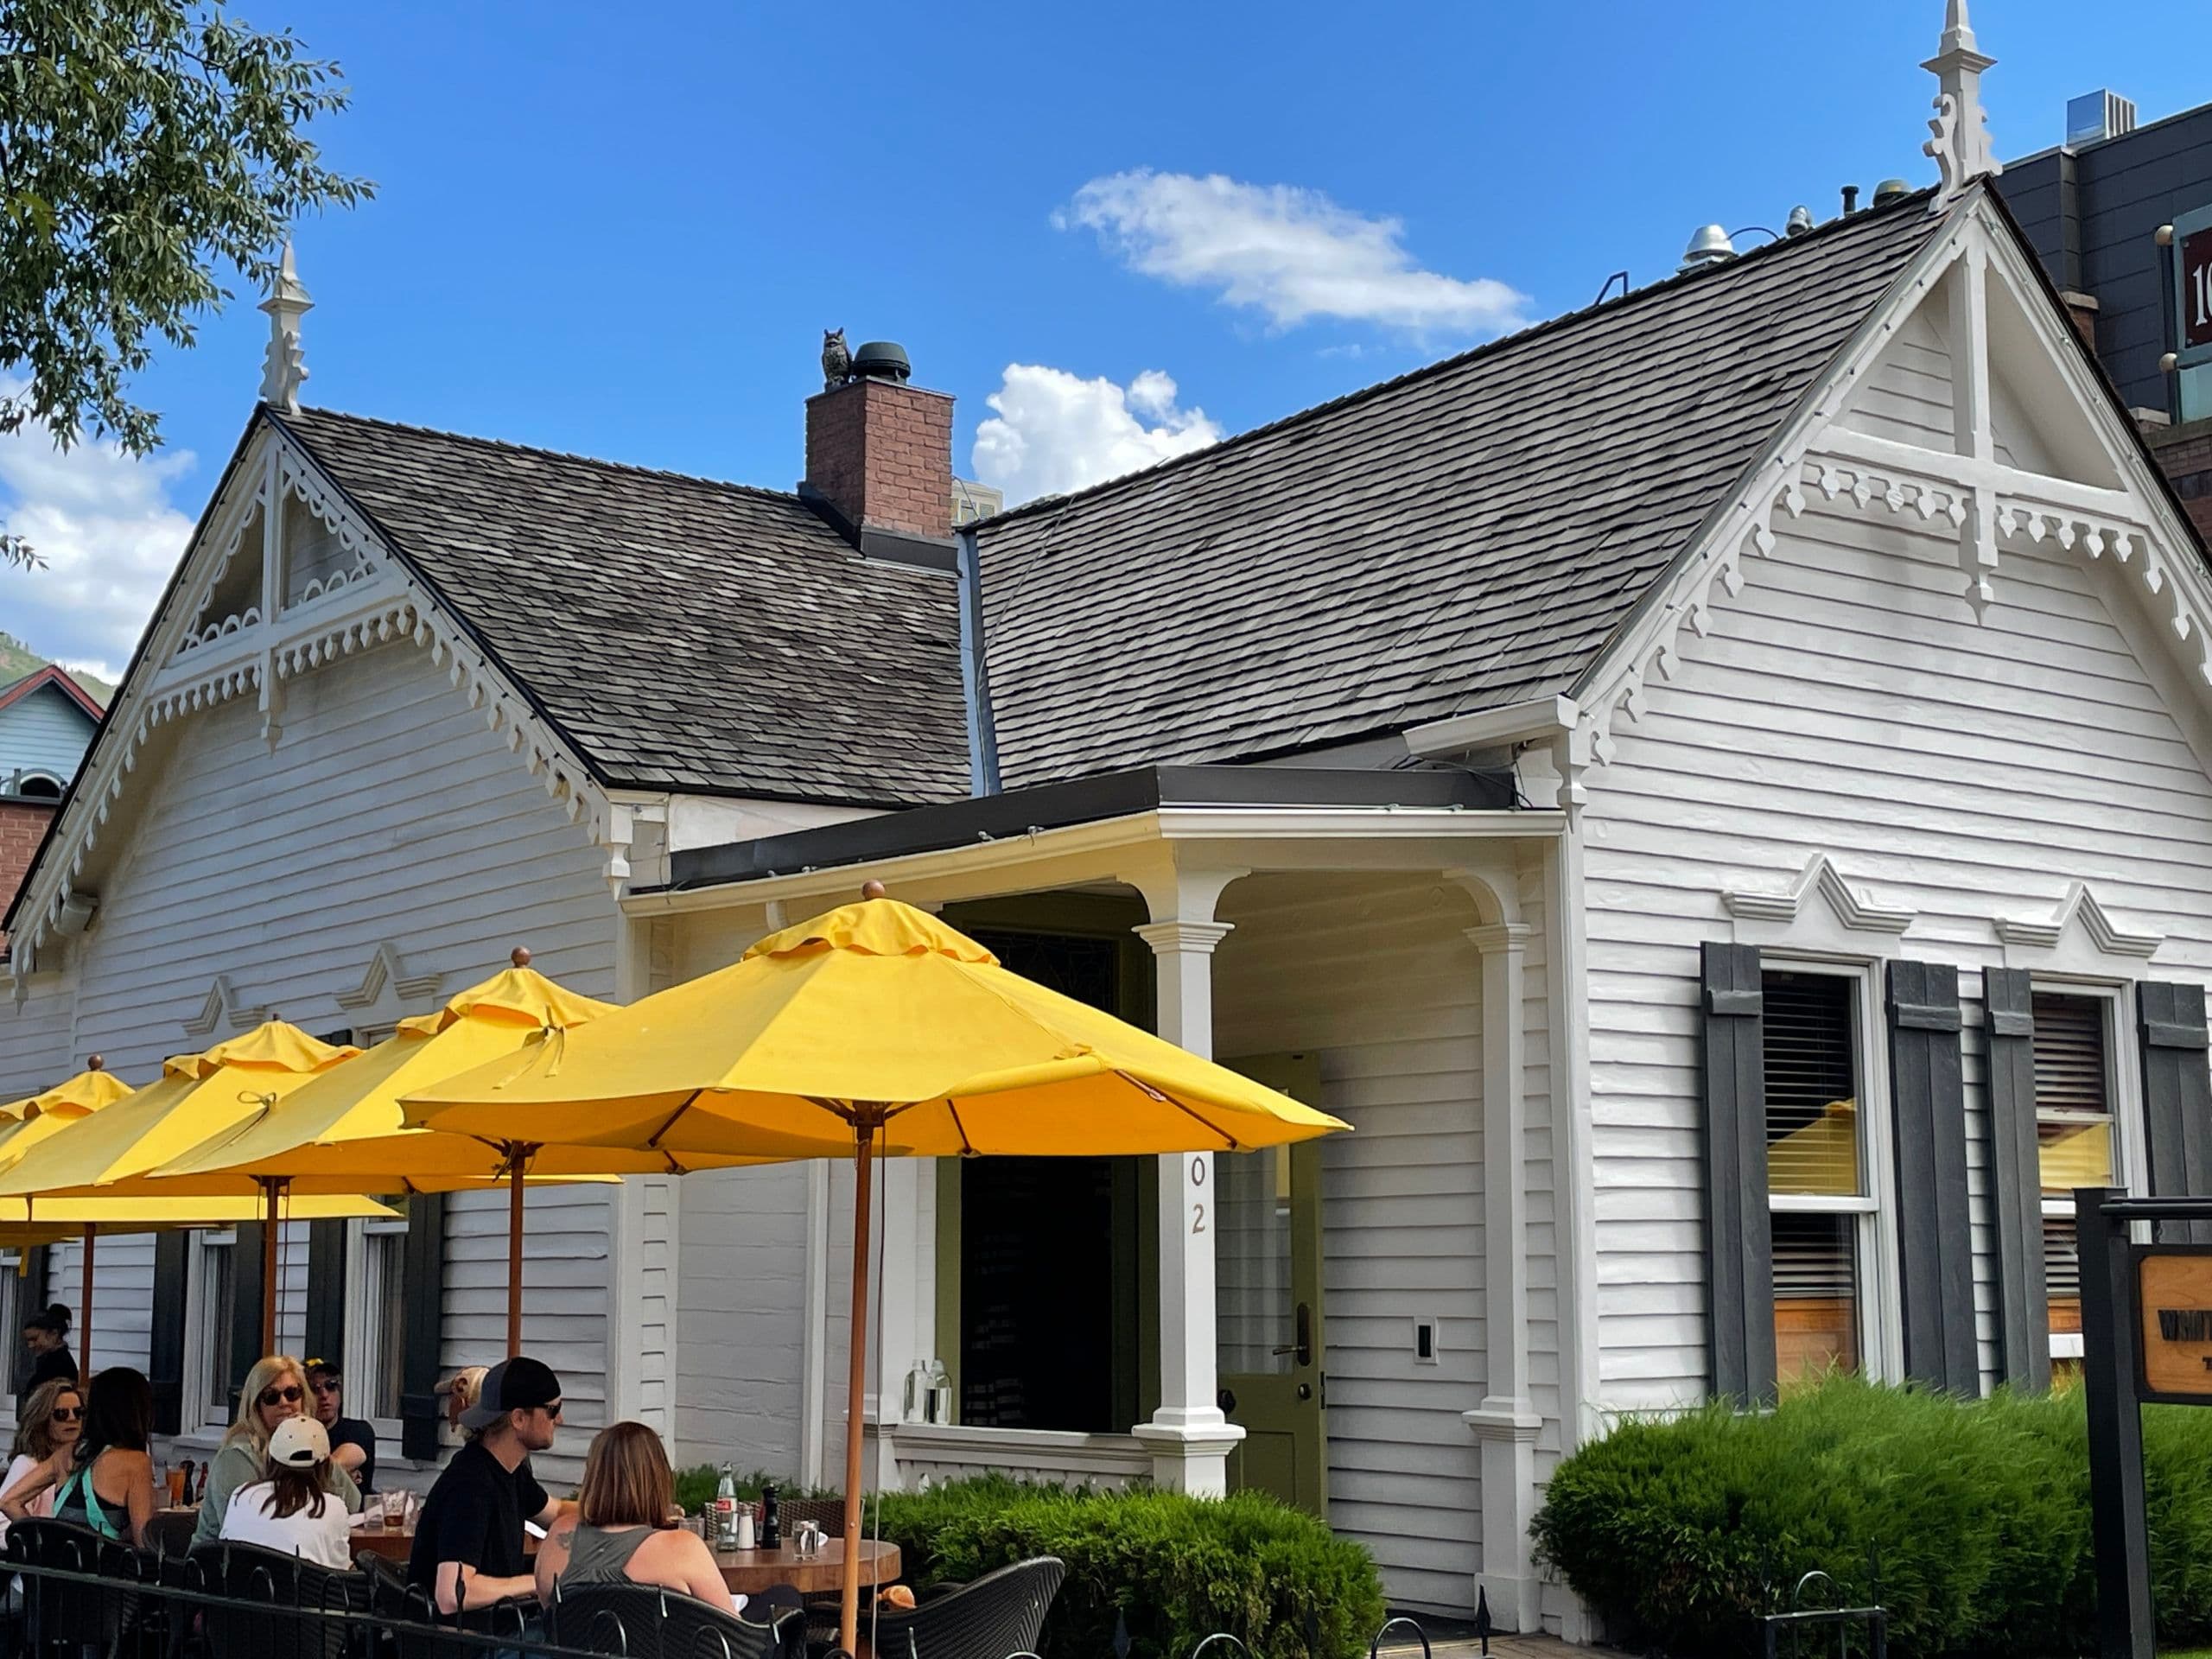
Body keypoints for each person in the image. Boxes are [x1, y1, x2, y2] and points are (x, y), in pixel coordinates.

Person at [410, 1356, 569, 1614]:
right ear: (518, 1418)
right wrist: (538, 1582)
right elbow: (452, 1593)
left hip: (498, 1631)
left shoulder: (511, 1471)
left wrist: (631, 1514)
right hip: (467, 1643)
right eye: (552, 1410)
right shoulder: (471, 1485)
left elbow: (557, 1512)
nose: (559, 1419)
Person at [535, 1422, 737, 1613]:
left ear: (593, 1477)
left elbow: (550, 1615)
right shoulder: (682, 1548)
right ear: (657, 1480)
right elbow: (733, 1636)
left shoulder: (559, 1533)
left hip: (575, 1649)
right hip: (659, 1650)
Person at [194, 1354, 361, 1547]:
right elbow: (241, 1530)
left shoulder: (310, 1443)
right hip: (222, 1564)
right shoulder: (238, 1454)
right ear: (255, 1405)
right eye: (271, 1397)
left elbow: (353, 1504)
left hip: (294, 1558)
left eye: (292, 1393)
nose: (284, 1402)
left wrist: (316, 1446)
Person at [1, 1366, 156, 1546]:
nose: (73, 1419)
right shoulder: (136, 1463)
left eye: (79, 1411)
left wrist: (42, 1545)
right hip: (102, 1568)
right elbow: (143, 1541)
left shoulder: (66, 1454)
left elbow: (8, 1501)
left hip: (59, 1568)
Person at [219, 1414, 354, 1570]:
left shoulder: (240, 1495)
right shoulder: (332, 1507)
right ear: (325, 1467)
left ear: (271, 1459)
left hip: (240, 1592)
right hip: (304, 1593)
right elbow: (341, 1571)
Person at [0, 1378, 84, 1543]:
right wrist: (41, 1543)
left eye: (79, 1412)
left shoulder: (84, 1463)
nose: (72, 1418)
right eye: (62, 1414)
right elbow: (2, 1527)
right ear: (42, 1419)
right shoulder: (27, 1464)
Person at [304, 1357, 376, 1494]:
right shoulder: (296, 1436)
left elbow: (336, 1466)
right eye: (314, 1389)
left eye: (331, 1386)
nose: (324, 1395)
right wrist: (342, 1478)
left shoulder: (358, 1430)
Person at [18, 1304, 76, 1410]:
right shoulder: (48, 1361)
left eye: (35, 1339)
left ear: (54, 1334)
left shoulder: (60, 1366)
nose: (30, 1345)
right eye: (28, 1341)